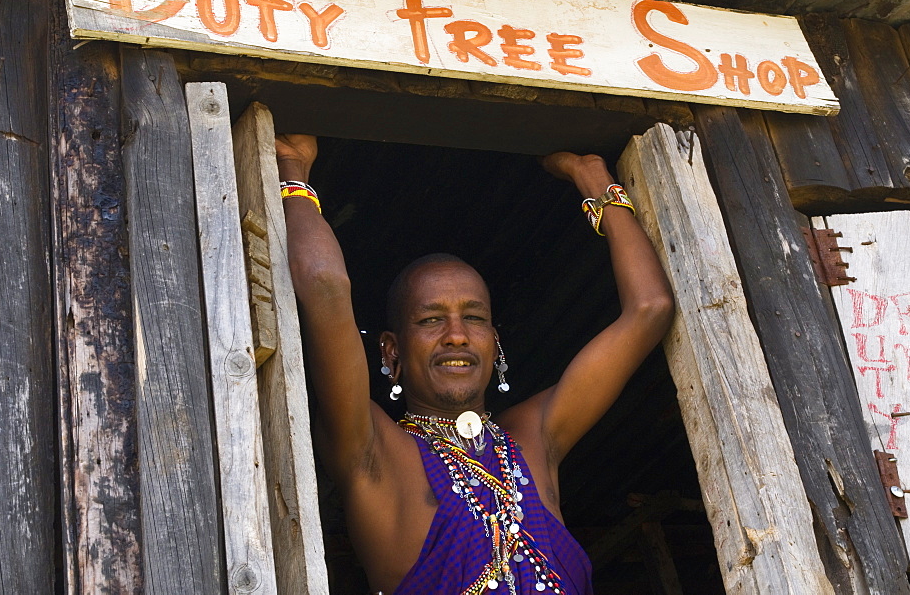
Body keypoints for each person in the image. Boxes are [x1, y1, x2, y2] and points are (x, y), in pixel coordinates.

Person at [275, 133, 674, 595]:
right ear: (391, 352)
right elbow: (324, 284)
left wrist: (594, 179)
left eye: (474, 318)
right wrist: (294, 173)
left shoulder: (533, 438)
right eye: (430, 319)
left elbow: (650, 309)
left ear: (495, 341)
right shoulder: (371, 451)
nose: (457, 334)